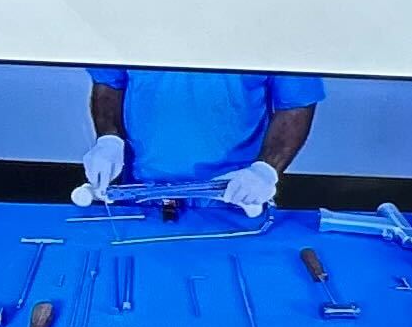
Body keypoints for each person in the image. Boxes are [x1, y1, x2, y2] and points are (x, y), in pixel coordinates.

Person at [78, 66, 323, 216]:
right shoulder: (133, 15)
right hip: (140, 193)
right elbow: (108, 83)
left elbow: (296, 104)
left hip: (236, 194)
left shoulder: (272, 21)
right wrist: (108, 138)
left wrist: (265, 170)